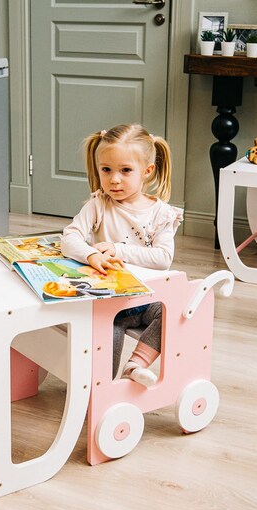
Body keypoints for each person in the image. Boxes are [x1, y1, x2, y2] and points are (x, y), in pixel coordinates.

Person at [61, 124, 182, 386]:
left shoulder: (161, 214)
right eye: (106, 170)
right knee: (107, 340)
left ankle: (136, 364)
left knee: (175, 314)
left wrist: (118, 249)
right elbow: (69, 239)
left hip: (147, 297)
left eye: (126, 170)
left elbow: (163, 258)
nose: (114, 179)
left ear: (147, 171)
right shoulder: (98, 205)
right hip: (109, 304)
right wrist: (92, 255)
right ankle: (100, 391)